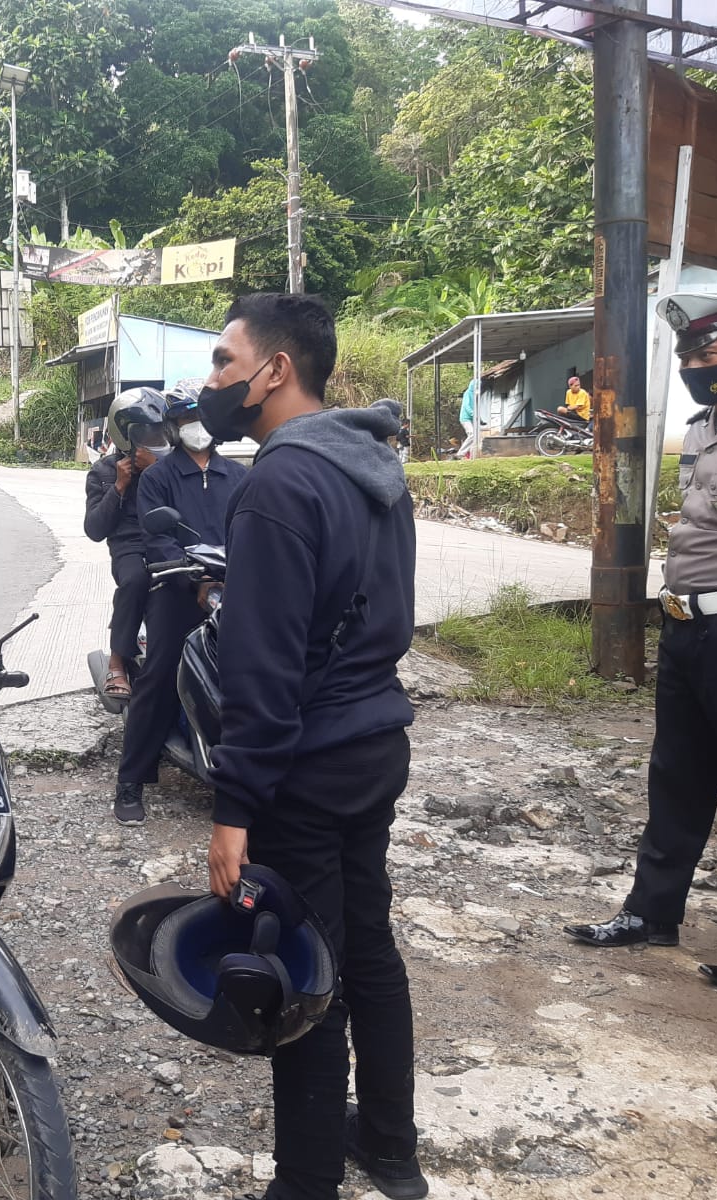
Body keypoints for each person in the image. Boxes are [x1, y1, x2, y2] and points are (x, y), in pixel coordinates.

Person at [195, 292, 424, 1200]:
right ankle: (392, 1150)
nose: (210, 381)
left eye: (222, 361)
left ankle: (304, 1185)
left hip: (308, 764)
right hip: (374, 743)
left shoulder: (279, 483)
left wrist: (232, 807)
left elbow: (262, 672)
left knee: (307, 974)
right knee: (368, 945)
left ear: (274, 371)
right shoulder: (372, 465)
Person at [564, 291, 717, 989]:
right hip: (688, 628)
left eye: (708, 354)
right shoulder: (700, 429)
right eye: (687, 356)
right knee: (675, 780)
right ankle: (650, 911)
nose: (695, 366)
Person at [112, 380, 247, 826]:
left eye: (200, 417)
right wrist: (195, 581)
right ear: (172, 427)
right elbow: (158, 539)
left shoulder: (240, 477)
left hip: (235, 589)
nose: (195, 427)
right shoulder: (158, 479)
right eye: (186, 419)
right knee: (161, 672)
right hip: (177, 588)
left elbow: (253, 533)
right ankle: (131, 779)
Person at [83, 388, 170, 703]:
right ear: (125, 433)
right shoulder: (104, 471)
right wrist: (119, 486)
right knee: (135, 579)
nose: (153, 436)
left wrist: (157, 471)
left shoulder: (169, 464)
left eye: (158, 430)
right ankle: (117, 661)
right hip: (129, 545)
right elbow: (94, 529)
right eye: (145, 430)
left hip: (167, 538)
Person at [456, 378, 478, 458]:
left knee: (475, 437)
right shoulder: (468, 393)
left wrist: (480, 419)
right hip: (465, 418)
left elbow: (476, 408)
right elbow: (467, 406)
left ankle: (472, 457)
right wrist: (473, 414)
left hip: (471, 418)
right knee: (472, 434)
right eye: (477, 386)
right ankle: (460, 454)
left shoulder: (475, 395)